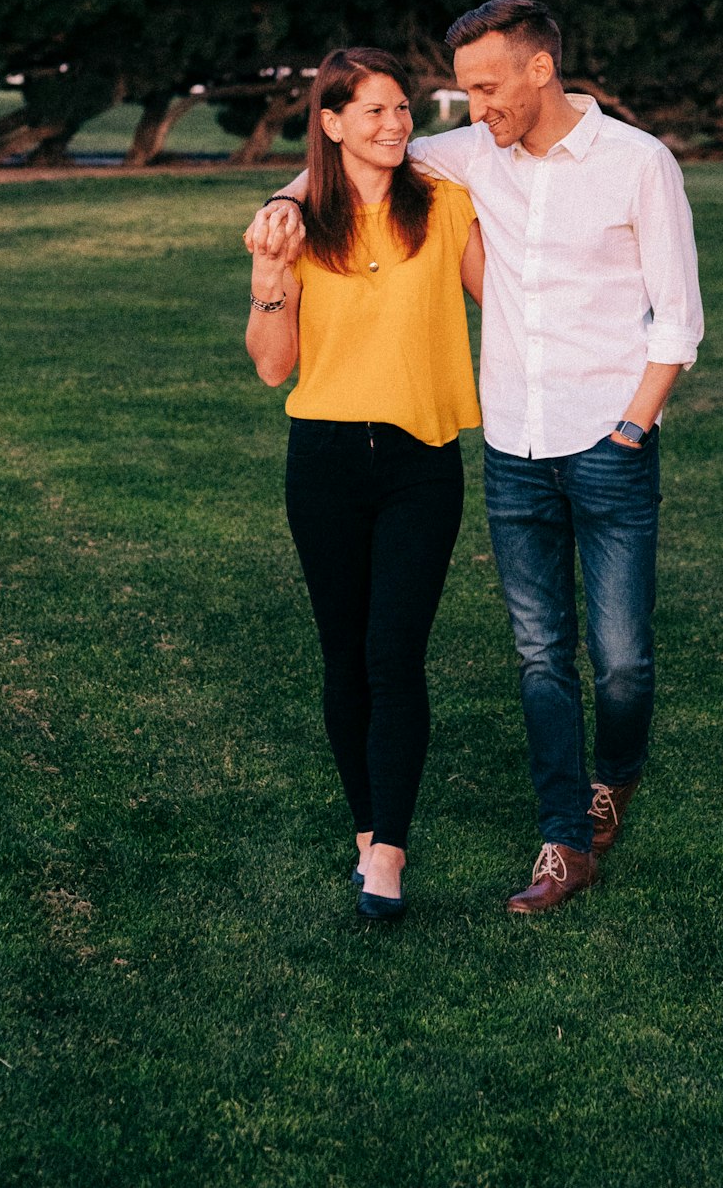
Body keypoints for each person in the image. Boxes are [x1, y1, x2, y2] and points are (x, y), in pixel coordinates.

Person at [248, 0, 703, 915]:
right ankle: (489, 839)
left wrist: (629, 414)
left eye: (482, 87)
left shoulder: (568, 174)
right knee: (483, 655)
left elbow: (630, 311)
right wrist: (275, 219)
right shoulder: (388, 192)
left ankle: (596, 780)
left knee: (594, 661)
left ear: (541, 70)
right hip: (424, 454)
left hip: (526, 447)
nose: (442, 113)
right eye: (459, 91)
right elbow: (332, 195)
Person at [246, 47, 483, 921]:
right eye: (373, 111)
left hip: (424, 461)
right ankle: (363, 827)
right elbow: (273, 368)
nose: (394, 124)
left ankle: (389, 852)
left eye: (401, 108)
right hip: (325, 461)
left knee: (395, 654)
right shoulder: (295, 224)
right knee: (344, 655)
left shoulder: (446, 205)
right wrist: (272, 282)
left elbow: (508, 301)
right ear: (332, 121)